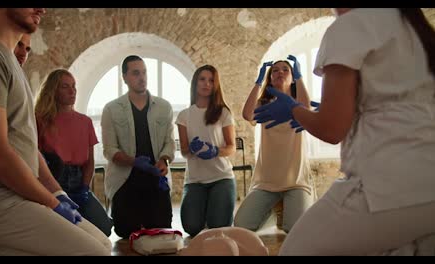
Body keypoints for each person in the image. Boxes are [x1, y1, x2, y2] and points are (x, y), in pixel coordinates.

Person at [254, 8, 435, 255]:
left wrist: (294, 110)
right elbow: (396, 110)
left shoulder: (351, 25)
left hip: (388, 186)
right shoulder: (416, 30)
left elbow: (331, 129)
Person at [0, 8, 110, 255]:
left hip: (17, 192)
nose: (42, 9)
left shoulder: (11, 61)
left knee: (104, 242)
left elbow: (28, 147)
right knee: (95, 252)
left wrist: (58, 192)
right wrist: (51, 203)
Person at [234, 55, 314, 233]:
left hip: (296, 181)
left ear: (293, 78)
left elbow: (306, 109)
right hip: (267, 182)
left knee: (296, 228)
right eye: (275, 70)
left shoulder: (297, 104)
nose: (280, 72)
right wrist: (258, 81)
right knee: (241, 224)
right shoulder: (264, 104)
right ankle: (276, 209)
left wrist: (299, 76)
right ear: (269, 79)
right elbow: (247, 115)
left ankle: (287, 209)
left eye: (286, 70)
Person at [101, 55, 176, 239]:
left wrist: (163, 160)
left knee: (161, 228)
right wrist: (133, 161)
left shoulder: (164, 107)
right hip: (125, 180)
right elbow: (109, 149)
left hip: (155, 179)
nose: (142, 77)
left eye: (144, 72)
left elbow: (170, 142)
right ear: (124, 77)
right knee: (126, 231)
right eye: (135, 73)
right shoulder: (111, 109)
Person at [35, 69, 114, 237]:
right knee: (58, 232)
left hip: (79, 181)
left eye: (74, 86)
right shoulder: (40, 120)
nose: (72, 91)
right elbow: (35, 159)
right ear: (53, 90)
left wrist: (85, 188)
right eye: (65, 87)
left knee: (104, 228)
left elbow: (90, 162)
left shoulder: (85, 122)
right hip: (53, 181)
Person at [175, 65, 237, 237]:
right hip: (195, 180)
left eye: (211, 80)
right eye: (202, 79)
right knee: (191, 227)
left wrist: (215, 151)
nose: (206, 84)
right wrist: (193, 150)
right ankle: (209, 210)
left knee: (218, 227)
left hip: (221, 177)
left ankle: (218, 210)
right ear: (195, 82)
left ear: (215, 85)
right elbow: (185, 152)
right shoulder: (184, 116)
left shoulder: (223, 113)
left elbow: (231, 147)